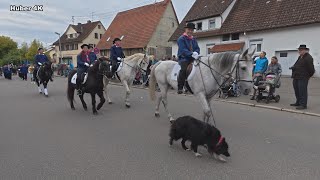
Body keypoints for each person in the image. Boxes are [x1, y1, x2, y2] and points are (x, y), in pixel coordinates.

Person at [177, 22, 200, 94]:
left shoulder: (193, 39)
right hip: (184, 58)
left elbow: (197, 48)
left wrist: (196, 53)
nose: (190, 31)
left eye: (192, 30)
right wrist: (191, 54)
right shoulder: (181, 39)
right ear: (186, 29)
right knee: (184, 69)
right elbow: (183, 50)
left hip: (192, 58)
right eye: (189, 29)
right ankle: (180, 87)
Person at [290, 44, 315, 110]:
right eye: (299, 50)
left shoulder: (308, 58)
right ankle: (298, 102)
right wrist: (293, 67)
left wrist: (308, 76)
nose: (299, 51)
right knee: (297, 90)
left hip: (303, 77)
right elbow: (297, 65)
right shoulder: (300, 57)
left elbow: (311, 69)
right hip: (296, 76)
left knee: (302, 91)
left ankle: (303, 105)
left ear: (305, 50)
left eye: (301, 50)